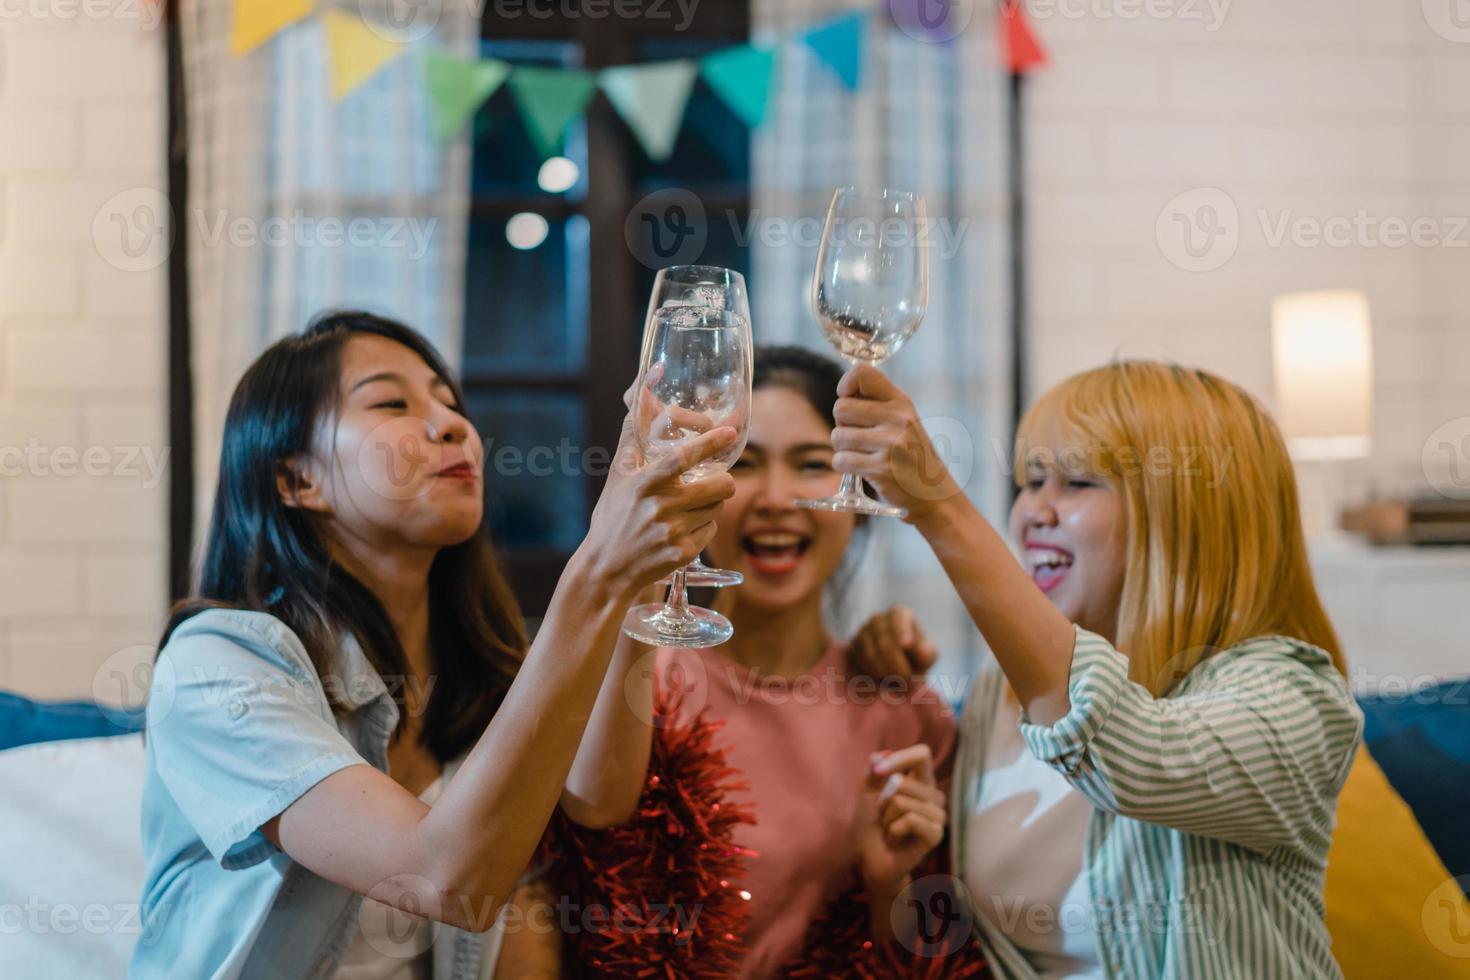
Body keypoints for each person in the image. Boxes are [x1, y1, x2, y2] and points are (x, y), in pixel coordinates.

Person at [130, 310, 737, 980]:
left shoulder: (470, 666)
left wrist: (642, 579)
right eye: (391, 401)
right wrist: (598, 569)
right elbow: (443, 881)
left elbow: (599, 796)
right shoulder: (216, 668)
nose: (453, 425)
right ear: (297, 480)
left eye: (450, 403)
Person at [841, 360, 1364, 978]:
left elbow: (1135, 754)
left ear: (1190, 513)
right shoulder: (999, 694)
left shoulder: (1297, 698)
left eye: (1077, 483)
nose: (1034, 511)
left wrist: (939, 506)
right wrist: (892, 883)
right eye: (1031, 480)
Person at [496, 346, 973, 978]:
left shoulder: (909, 714)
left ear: (856, 505)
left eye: (810, 464)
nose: (776, 498)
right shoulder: (641, 680)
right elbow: (583, 827)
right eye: (744, 463)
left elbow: (930, 957)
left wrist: (890, 887)